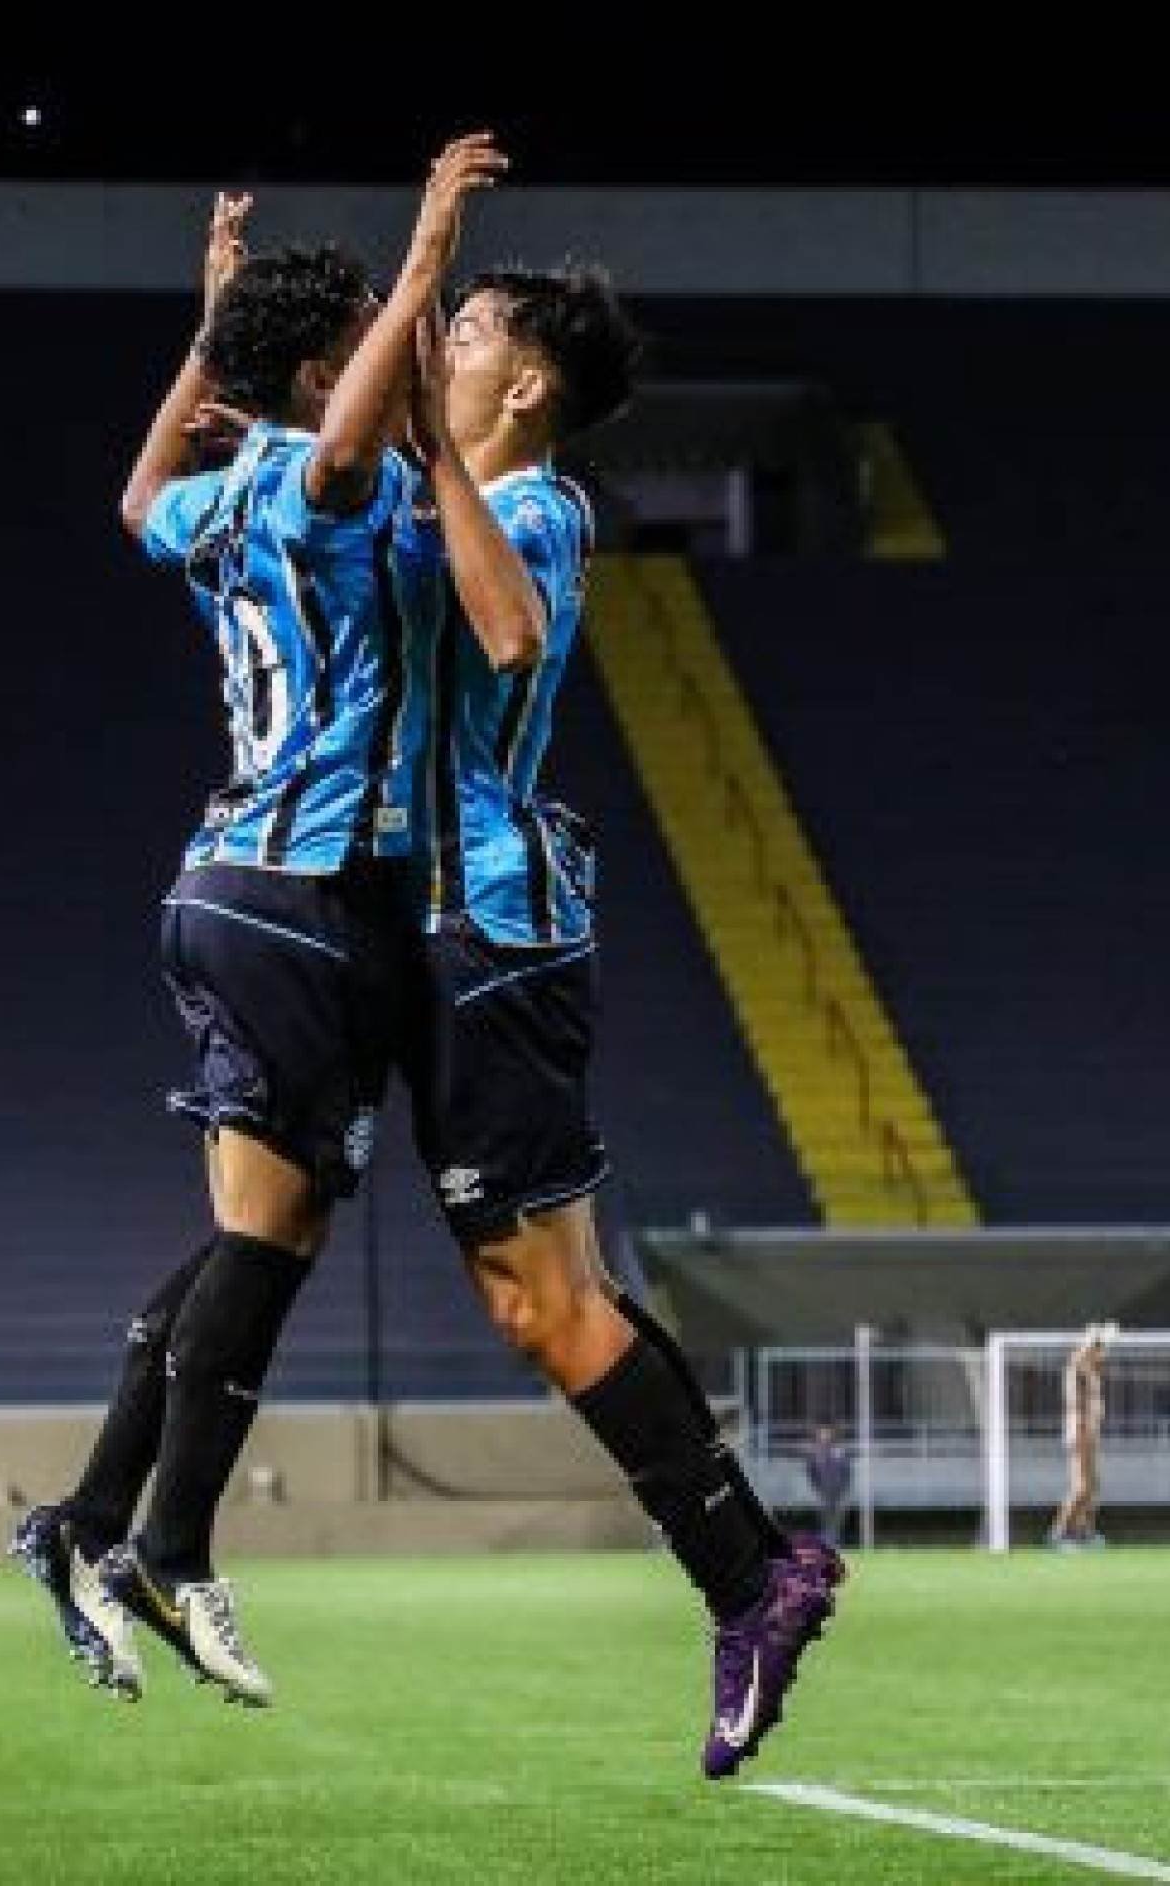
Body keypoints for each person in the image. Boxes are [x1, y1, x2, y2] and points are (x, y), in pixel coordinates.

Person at [9, 138, 501, 1709]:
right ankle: (166, 1542)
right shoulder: (304, 480)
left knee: (262, 1238)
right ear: (318, 369)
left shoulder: (212, 498)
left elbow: (137, 488)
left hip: (227, 887)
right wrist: (424, 254)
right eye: (359, 326)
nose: (392, 336)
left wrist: (202, 331)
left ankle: (88, 1523)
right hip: (300, 899)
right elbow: (350, 439)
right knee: (261, 1246)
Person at [391, 256, 837, 1780]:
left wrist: (419, 450)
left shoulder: (539, 508)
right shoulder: (441, 490)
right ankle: (756, 1576)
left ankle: (751, 1576)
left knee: (545, 1309)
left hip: (490, 932)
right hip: (445, 931)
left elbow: (502, 633)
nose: (434, 351)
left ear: (524, 387)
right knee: (547, 1304)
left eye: (459, 334)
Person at [1048, 1322, 1110, 1551]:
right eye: (1098, 1347)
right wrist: (1094, 1335)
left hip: (1090, 1429)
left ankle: (1084, 1532)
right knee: (1081, 1486)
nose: (1101, 1352)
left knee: (1093, 1487)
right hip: (1079, 1429)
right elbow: (1079, 1359)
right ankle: (1059, 1534)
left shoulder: (1092, 1370)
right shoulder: (1076, 1366)